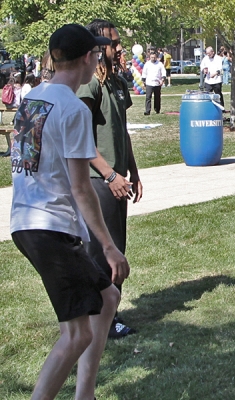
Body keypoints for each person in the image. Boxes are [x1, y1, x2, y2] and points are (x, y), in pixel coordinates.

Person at [10, 23, 129, 399]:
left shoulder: (32, 100)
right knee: (76, 333)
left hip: (25, 223)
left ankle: (85, 394)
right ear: (87, 59)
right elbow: (81, 187)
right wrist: (109, 247)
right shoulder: (73, 108)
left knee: (108, 297)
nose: (98, 57)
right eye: (95, 53)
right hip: (51, 227)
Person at [77, 18, 142, 339]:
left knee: (118, 248)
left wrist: (134, 171)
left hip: (119, 179)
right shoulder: (90, 85)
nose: (119, 48)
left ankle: (110, 312)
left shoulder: (118, 83)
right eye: (113, 43)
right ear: (97, 48)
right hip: (97, 181)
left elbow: (123, 132)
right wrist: (110, 173)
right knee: (102, 253)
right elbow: (80, 139)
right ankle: (99, 318)